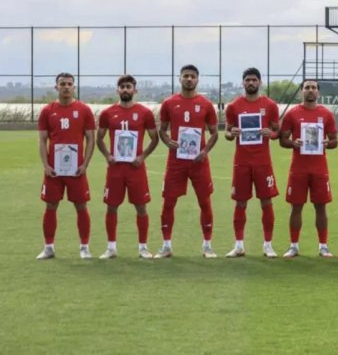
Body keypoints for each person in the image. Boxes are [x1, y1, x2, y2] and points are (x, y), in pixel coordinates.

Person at [155, 64, 220, 258]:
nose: (189, 79)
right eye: (186, 76)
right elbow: (162, 130)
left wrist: (205, 150)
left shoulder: (206, 104)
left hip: (199, 161)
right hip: (176, 161)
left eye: (192, 76)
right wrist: (168, 142)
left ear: (197, 79)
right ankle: (166, 246)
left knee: (204, 202)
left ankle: (207, 245)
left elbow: (215, 133)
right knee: (168, 201)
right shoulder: (169, 103)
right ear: (180, 78)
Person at [95, 75, 159, 259]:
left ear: (135, 90)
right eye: (122, 87)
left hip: (136, 168)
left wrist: (143, 156)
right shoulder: (108, 113)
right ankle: (111, 248)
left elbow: (154, 138)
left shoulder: (145, 113)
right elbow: (99, 137)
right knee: (111, 207)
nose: (125, 89)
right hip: (115, 169)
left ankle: (143, 248)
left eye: (128, 86)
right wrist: (107, 155)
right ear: (117, 90)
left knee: (141, 207)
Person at [36, 73, 96, 260]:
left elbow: (90, 139)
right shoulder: (47, 111)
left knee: (81, 206)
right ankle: (48, 247)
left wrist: (85, 164)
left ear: (74, 87)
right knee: (51, 205)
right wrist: (46, 165)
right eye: (62, 84)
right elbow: (42, 140)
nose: (66, 87)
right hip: (54, 170)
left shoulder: (84, 110)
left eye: (69, 84)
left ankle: (84, 247)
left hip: (76, 169)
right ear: (56, 87)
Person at [223, 68, 281, 258]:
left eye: (254, 80)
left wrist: (270, 134)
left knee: (266, 201)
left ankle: (268, 244)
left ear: (260, 83)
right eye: (247, 80)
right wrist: (232, 133)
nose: (250, 83)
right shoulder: (233, 106)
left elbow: (277, 131)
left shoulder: (270, 105)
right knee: (240, 203)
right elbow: (228, 133)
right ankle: (239, 245)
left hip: (263, 163)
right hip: (242, 163)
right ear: (243, 83)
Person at [279, 79, 338, 258]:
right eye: (307, 88)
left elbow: (335, 141)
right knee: (296, 207)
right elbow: (282, 140)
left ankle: (323, 246)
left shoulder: (326, 114)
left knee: (321, 207)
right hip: (298, 169)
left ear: (318, 92)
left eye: (313, 88)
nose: (310, 91)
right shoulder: (292, 114)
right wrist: (292, 143)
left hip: (319, 169)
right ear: (301, 92)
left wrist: (328, 142)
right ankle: (294, 246)